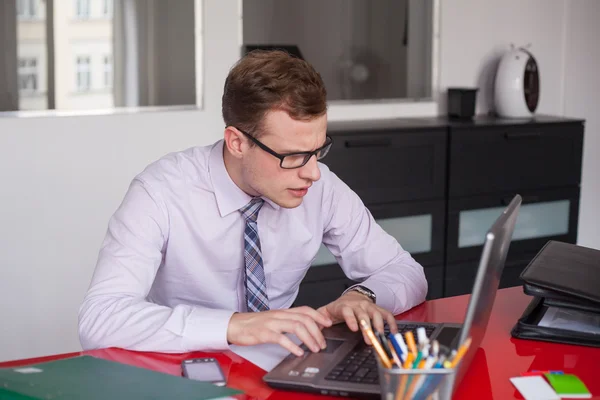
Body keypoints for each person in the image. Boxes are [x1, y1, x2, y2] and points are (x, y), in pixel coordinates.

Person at [78, 50, 427, 357]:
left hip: (281, 363)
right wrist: (234, 327)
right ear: (237, 143)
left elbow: (407, 272)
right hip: (180, 368)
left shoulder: (321, 188)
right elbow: (101, 318)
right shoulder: (160, 192)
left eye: (318, 151)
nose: (313, 174)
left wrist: (362, 296)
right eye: (293, 156)